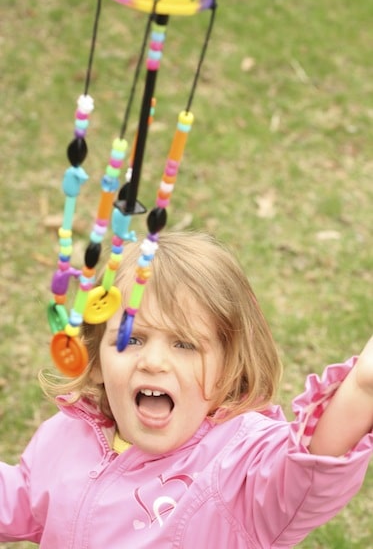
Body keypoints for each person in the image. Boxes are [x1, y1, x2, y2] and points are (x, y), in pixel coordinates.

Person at [0, 230, 372, 548]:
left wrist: (362, 388)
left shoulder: (242, 464)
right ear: (96, 362)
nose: (154, 362)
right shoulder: (65, 438)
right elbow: (20, 497)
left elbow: (310, 462)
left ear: (228, 367)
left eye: (184, 344)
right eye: (132, 339)